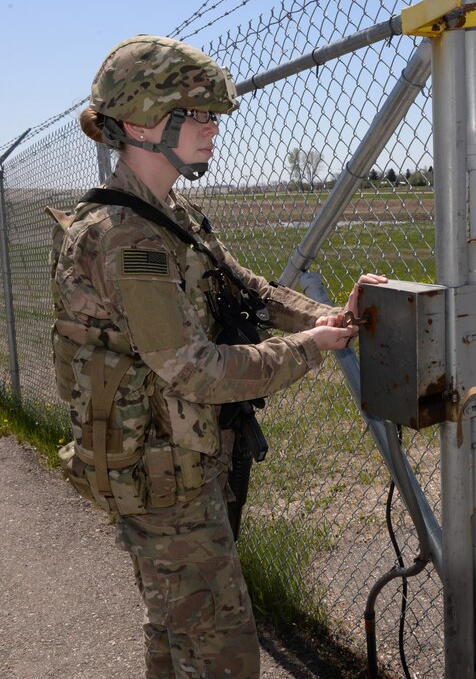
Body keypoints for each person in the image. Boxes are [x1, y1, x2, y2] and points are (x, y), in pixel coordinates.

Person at [48, 34, 385, 678]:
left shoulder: (171, 215)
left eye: (211, 113)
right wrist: (309, 348)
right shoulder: (126, 239)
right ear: (146, 120)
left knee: (176, 632)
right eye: (196, 113)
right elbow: (194, 370)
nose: (212, 127)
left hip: (176, 465)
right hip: (162, 478)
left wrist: (324, 315)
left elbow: (246, 290)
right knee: (223, 652)